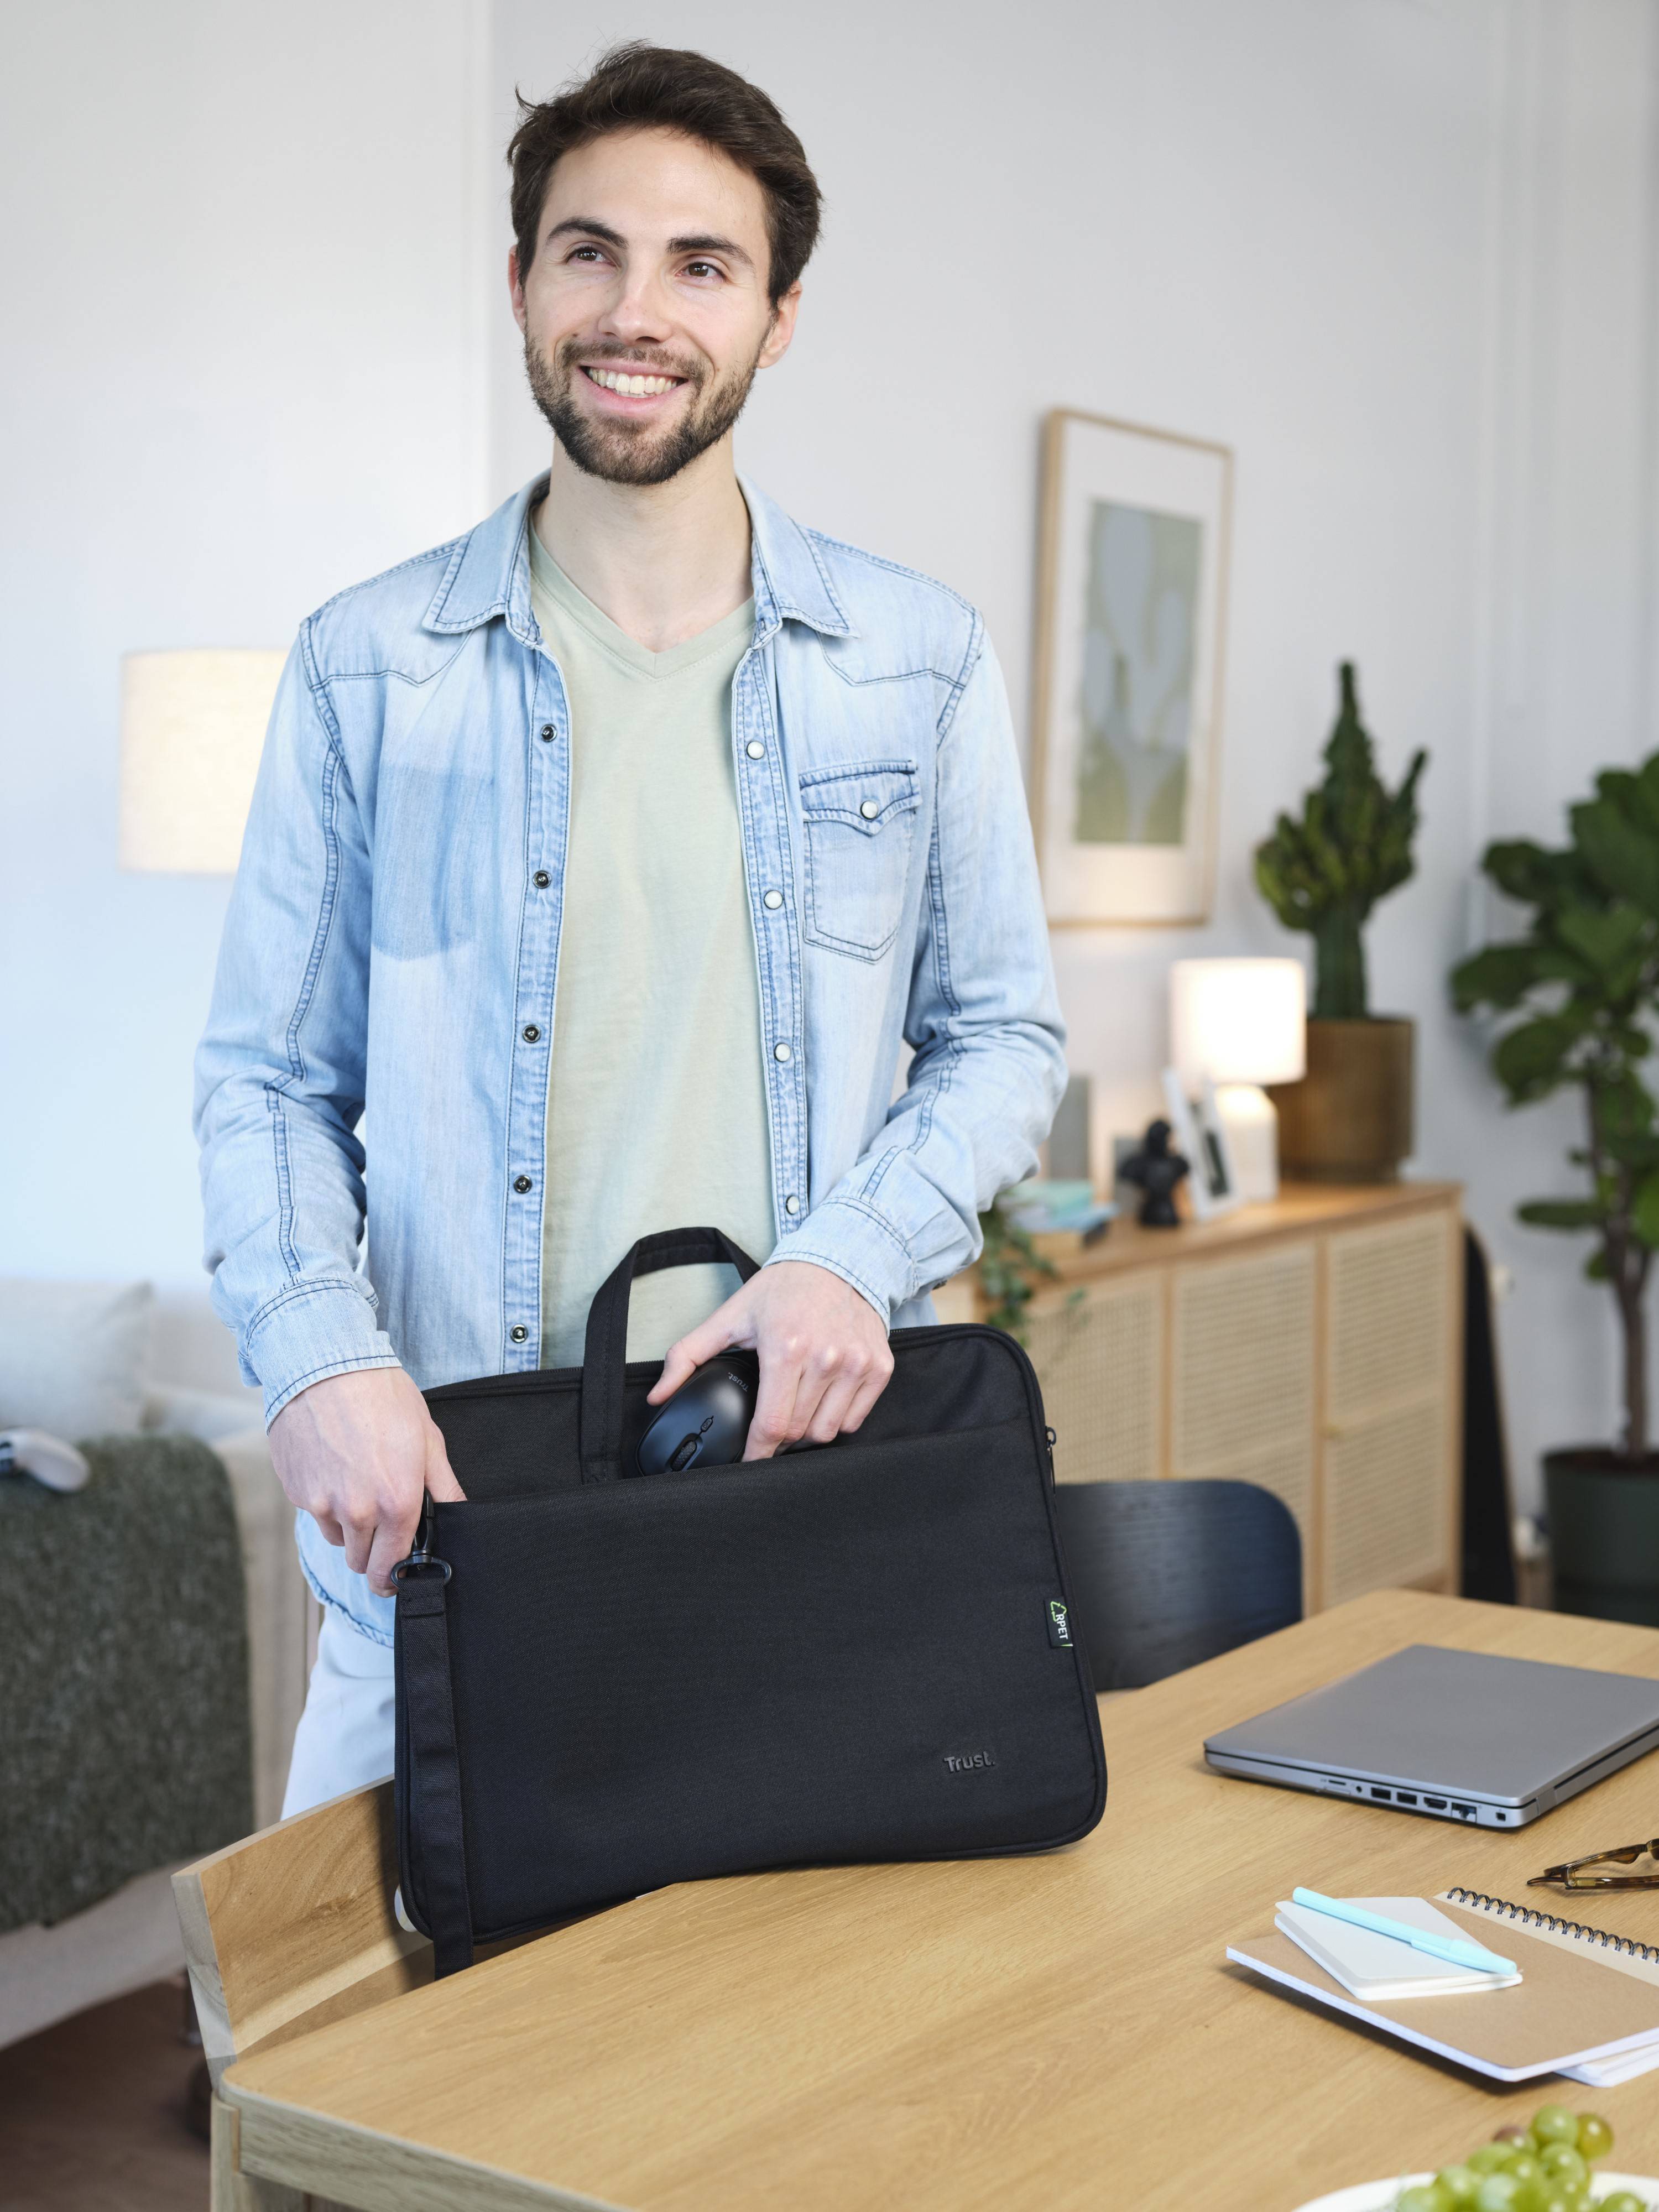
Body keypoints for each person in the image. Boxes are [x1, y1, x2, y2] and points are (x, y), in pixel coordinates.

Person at [195, 41, 1066, 1816]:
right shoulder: (368, 669)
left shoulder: (918, 661)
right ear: (521, 284)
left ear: (779, 315)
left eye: (701, 264)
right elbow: (267, 1081)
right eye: (587, 251)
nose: (635, 310)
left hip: (792, 1509)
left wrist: (848, 1259)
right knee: (332, 2083)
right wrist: (319, 1363)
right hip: (438, 1519)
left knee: (765, 2078)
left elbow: (1003, 1042)